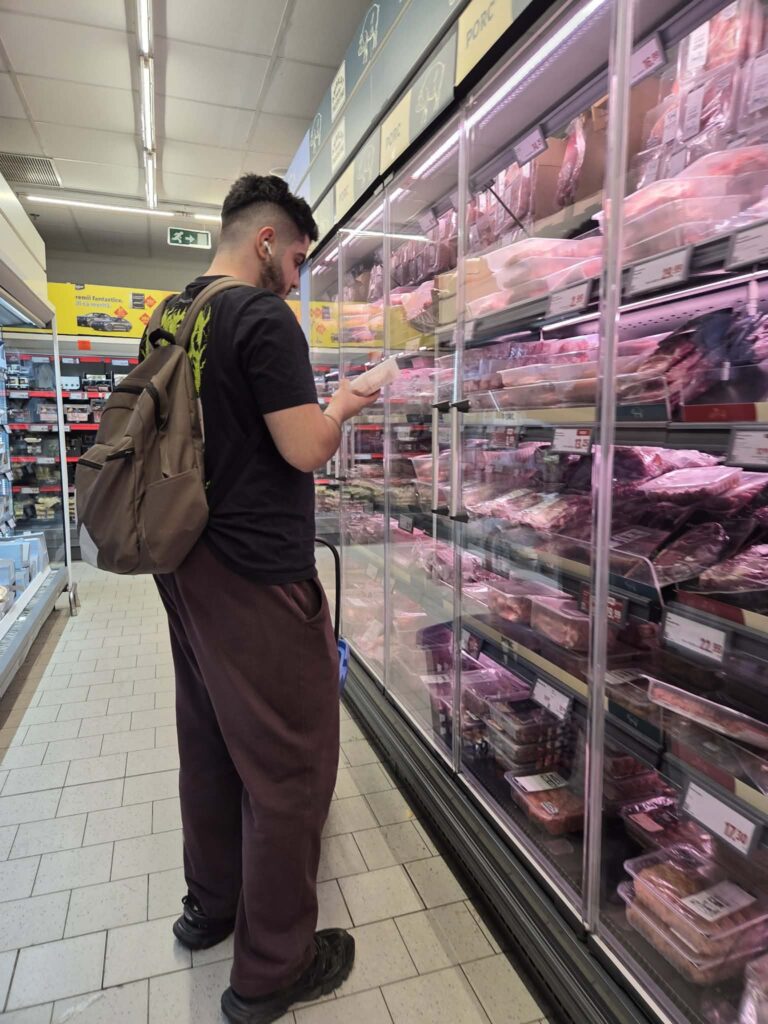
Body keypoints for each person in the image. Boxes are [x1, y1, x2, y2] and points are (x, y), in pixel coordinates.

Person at [139, 175, 379, 1024]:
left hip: (184, 559)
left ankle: (210, 908)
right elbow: (304, 446)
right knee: (290, 766)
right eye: (300, 258)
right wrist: (345, 402)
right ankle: (272, 971)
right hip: (256, 574)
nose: (298, 277)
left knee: (207, 740)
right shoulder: (262, 317)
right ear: (268, 240)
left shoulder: (171, 313)